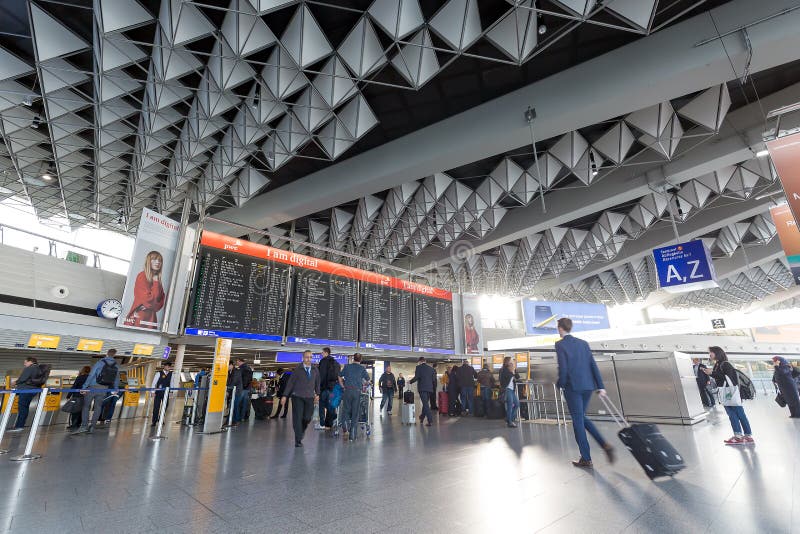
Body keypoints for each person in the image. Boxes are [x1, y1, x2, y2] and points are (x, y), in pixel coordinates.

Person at [555, 318, 615, 468]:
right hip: (588, 386)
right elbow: (592, 365)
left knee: (578, 422)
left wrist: (560, 384)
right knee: (581, 417)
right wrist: (600, 386)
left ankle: (586, 458)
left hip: (573, 387)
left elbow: (563, 368)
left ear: (560, 328)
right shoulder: (583, 343)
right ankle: (605, 445)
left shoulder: (560, 344)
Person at [705, 346, 754, 444]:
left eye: (711, 352)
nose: (709, 354)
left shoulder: (725, 364)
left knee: (739, 414)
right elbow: (720, 378)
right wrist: (711, 373)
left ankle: (748, 436)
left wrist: (712, 373)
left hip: (730, 392)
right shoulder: (718, 364)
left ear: (717, 353)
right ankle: (738, 436)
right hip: (725, 393)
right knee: (732, 414)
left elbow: (728, 378)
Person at [72, 349, 121, 435]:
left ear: (106, 353)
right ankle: (92, 427)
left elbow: (91, 375)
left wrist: (84, 386)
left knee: (86, 406)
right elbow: (116, 379)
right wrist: (115, 389)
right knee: (98, 407)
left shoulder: (100, 362)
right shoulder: (116, 366)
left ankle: (84, 426)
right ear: (114, 355)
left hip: (93, 387)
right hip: (104, 388)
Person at [280, 351, 320, 447]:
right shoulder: (298, 369)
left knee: (307, 418)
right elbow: (290, 383)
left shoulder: (315, 369)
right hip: (297, 396)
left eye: (310, 357)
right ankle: (298, 439)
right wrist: (285, 395)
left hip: (310, 397)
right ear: (303, 358)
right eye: (307, 357)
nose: (309, 359)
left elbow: (318, 382)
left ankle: (301, 430)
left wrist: (318, 394)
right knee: (297, 418)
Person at [123, 250, 166, 330]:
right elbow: (148, 300)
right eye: (154, 259)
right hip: (139, 317)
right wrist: (152, 303)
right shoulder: (142, 276)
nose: (157, 262)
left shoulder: (157, 280)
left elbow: (161, 302)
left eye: (160, 260)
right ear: (148, 261)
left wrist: (152, 304)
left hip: (151, 318)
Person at [339, 353, 371, 441]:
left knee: (346, 410)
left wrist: (342, 385)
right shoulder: (362, 368)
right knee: (355, 412)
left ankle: (345, 426)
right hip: (357, 392)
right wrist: (365, 384)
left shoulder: (347, 366)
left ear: (353, 358)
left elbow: (339, 375)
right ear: (360, 360)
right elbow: (368, 380)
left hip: (347, 390)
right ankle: (352, 436)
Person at [9, 357, 44, 432]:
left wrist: (14, 382)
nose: (24, 364)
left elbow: (23, 378)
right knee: (25, 407)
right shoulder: (39, 368)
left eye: (25, 362)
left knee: (22, 408)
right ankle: (20, 425)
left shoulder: (30, 368)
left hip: (26, 390)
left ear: (30, 362)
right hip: (33, 390)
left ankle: (19, 426)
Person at [317, 348, 340, 429]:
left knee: (322, 406)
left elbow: (321, 376)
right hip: (333, 388)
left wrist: (318, 388)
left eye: (322, 352)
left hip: (324, 388)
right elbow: (338, 376)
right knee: (330, 405)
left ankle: (322, 423)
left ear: (326, 353)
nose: (321, 354)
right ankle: (329, 424)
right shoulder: (336, 363)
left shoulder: (323, 361)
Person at [410, 356, 436, 426]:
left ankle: (430, 420)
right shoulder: (431, 369)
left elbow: (416, 377)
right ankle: (422, 417)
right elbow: (433, 380)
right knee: (425, 404)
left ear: (420, 361)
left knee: (425, 404)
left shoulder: (418, 367)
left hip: (422, 389)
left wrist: (410, 381)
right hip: (430, 389)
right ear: (425, 361)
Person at [150, 361, 178, 427]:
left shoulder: (171, 374)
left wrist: (171, 392)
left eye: (169, 367)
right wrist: (153, 392)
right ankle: (154, 421)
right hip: (158, 392)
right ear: (164, 366)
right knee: (156, 407)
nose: (169, 368)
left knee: (165, 407)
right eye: (167, 366)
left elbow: (172, 383)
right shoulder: (158, 373)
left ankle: (161, 419)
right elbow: (154, 383)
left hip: (166, 393)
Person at [67, 366, 92, 430]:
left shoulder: (80, 377)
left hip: (77, 396)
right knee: (82, 411)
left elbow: (74, 387)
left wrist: (68, 395)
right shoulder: (91, 378)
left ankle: (74, 425)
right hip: (86, 396)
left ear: (83, 370)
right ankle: (79, 424)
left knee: (75, 411)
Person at [499, 357, 521, 427]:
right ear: (508, 362)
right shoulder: (503, 370)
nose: (513, 361)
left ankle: (509, 418)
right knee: (510, 406)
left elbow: (518, 377)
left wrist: (514, 371)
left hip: (511, 390)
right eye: (511, 360)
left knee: (517, 404)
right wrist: (512, 372)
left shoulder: (512, 369)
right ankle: (510, 422)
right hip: (507, 389)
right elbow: (504, 379)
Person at [234, 358, 253, 424]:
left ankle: (237, 418)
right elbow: (250, 379)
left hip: (241, 389)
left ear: (240, 361)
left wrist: (242, 387)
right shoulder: (249, 368)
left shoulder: (241, 368)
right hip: (247, 389)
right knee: (244, 404)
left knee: (238, 404)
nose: (236, 363)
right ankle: (243, 417)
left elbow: (243, 379)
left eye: (237, 361)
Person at [226, 362, 243, 427]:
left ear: (231, 365)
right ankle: (230, 419)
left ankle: (236, 420)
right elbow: (228, 381)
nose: (227, 367)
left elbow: (234, 382)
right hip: (232, 391)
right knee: (231, 406)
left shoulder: (236, 372)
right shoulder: (229, 372)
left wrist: (228, 391)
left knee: (235, 405)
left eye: (228, 366)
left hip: (237, 391)